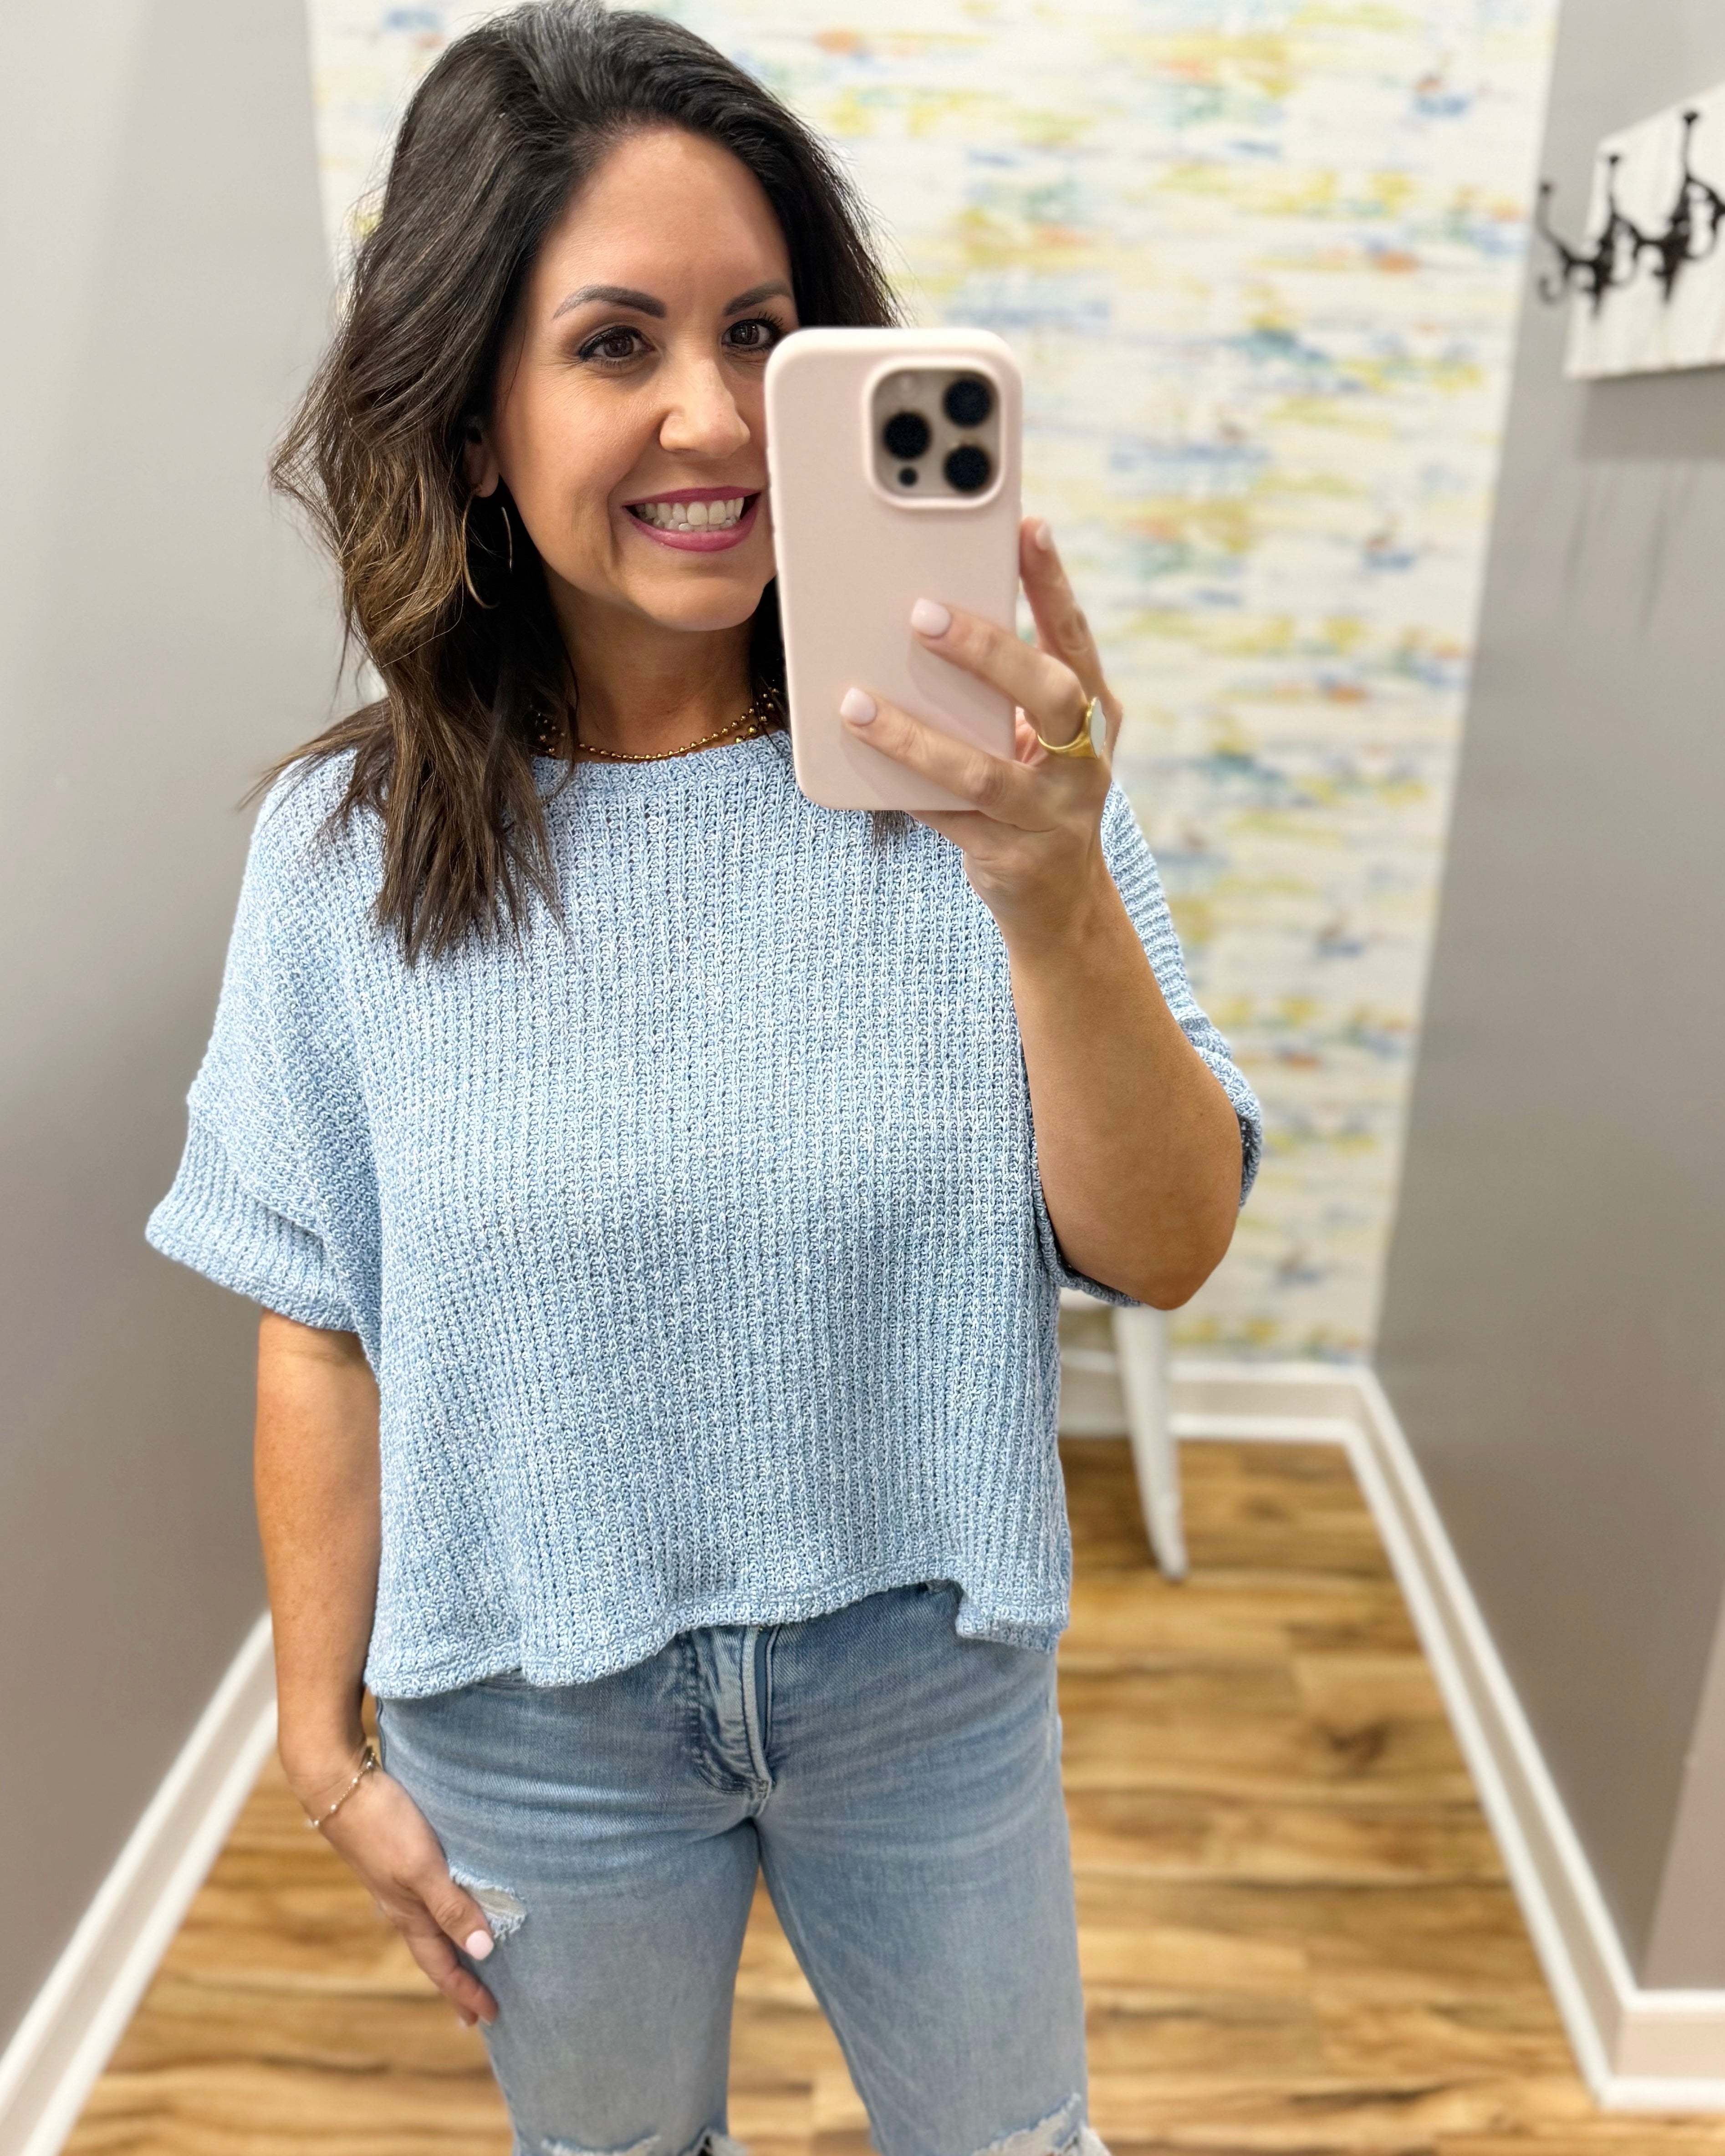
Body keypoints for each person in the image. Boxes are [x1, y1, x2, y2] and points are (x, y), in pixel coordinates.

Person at [147, 7, 1262, 2154]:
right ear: (470, 417)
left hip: (916, 1673)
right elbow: (319, 1310)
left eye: (764, 331)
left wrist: (1045, 887)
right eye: (613, 343)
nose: (715, 415)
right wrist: (323, 1746)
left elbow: (1170, 1245)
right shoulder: (342, 858)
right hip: (527, 1710)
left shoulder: (991, 776)